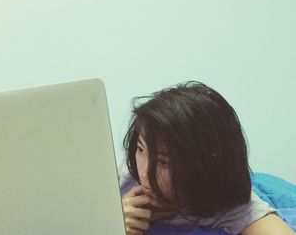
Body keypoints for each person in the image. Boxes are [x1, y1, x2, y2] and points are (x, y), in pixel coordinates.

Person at [119, 81, 295, 235]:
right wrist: (113, 223)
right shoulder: (122, 178)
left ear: (201, 168)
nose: (144, 172)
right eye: (140, 149)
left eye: (164, 162)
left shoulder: (225, 203)